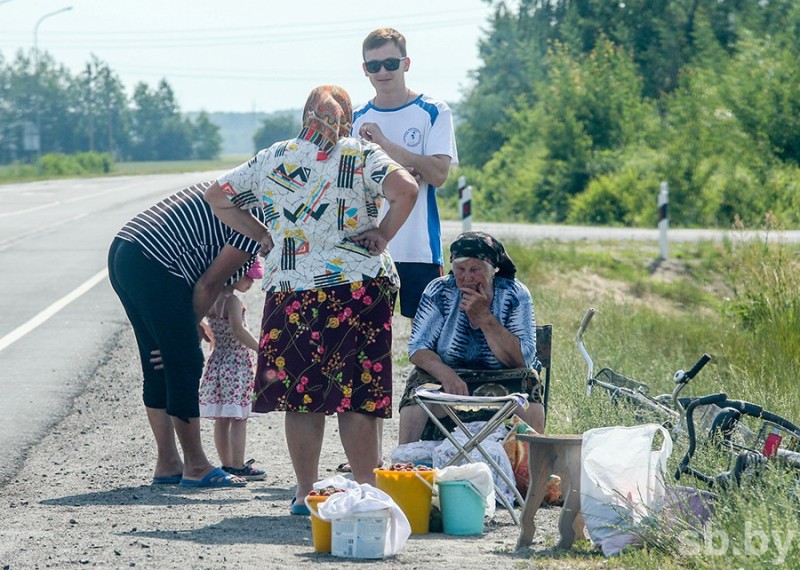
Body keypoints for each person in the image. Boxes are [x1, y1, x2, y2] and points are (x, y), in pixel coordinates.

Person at [203, 85, 419, 514]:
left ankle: (305, 492)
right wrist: (384, 233)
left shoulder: (273, 157)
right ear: (347, 118)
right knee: (355, 394)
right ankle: (364, 493)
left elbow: (217, 196)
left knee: (302, 395)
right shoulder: (360, 156)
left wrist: (263, 235)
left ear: (305, 117)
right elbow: (407, 188)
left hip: (292, 290)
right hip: (357, 290)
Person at [108, 182, 265, 488]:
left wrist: (179, 332)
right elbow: (209, 283)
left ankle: (168, 463)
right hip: (153, 259)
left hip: (127, 249)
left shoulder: (243, 189)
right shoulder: (256, 220)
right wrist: (185, 331)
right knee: (184, 361)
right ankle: (196, 465)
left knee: (159, 362)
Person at [397, 231, 545, 444]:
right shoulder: (440, 290)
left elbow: (523, 359)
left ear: (493, 269)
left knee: (529, 381)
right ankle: (405, 461)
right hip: (449, 375)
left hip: (503, 375)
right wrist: (446, 374)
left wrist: (485, 318)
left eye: (475, 269)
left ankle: (530, 463)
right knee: (417, 382)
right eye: (460, 269)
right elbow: (418, 348)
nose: (466, 277)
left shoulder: (514, 293)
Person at [352, 27, 459, 319]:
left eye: (391, 63)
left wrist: (385, 145)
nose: (383, 72)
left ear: (406, 63)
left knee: (427, 340)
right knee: (366, 344)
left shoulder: (434, 111)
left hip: (419, 248)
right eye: (374, 66)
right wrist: (402, 173)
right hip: (369, 247)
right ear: (365, 69)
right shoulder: (355, 118)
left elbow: (438, 174)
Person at [198, 259, 266, 481]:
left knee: (222, 417)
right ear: (234, 275)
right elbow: (239, 330)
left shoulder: (211, 299)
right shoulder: (233, 301)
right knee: (239, 417)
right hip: (237, 364)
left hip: (218, 361)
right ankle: (238, 464)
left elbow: (206, 325)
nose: (252, 282)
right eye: (249, 277)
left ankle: (226, 464)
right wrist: (260, 349)